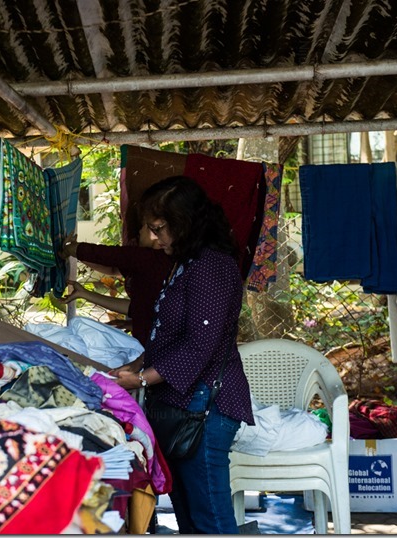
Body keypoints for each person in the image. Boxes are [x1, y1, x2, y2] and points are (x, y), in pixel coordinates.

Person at [111, 175, 254, 534]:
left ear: (184, 223)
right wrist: (137, 365)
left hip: (206, 407)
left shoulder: (211, 266)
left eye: (158, 228)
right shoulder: (186, 264)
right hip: (183, 405)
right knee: (190, 518)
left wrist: (141, 379)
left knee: (211, 518)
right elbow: (170, 335)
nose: (153, 237)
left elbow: (199, 346)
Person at [60, 222, 173, 349]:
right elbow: (138, 307)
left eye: (143, 226)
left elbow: (107, 255)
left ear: (155, 233)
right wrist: (85, 293)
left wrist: (73, 249)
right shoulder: (152, 264)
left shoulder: (149, 258)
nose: (139, 231)